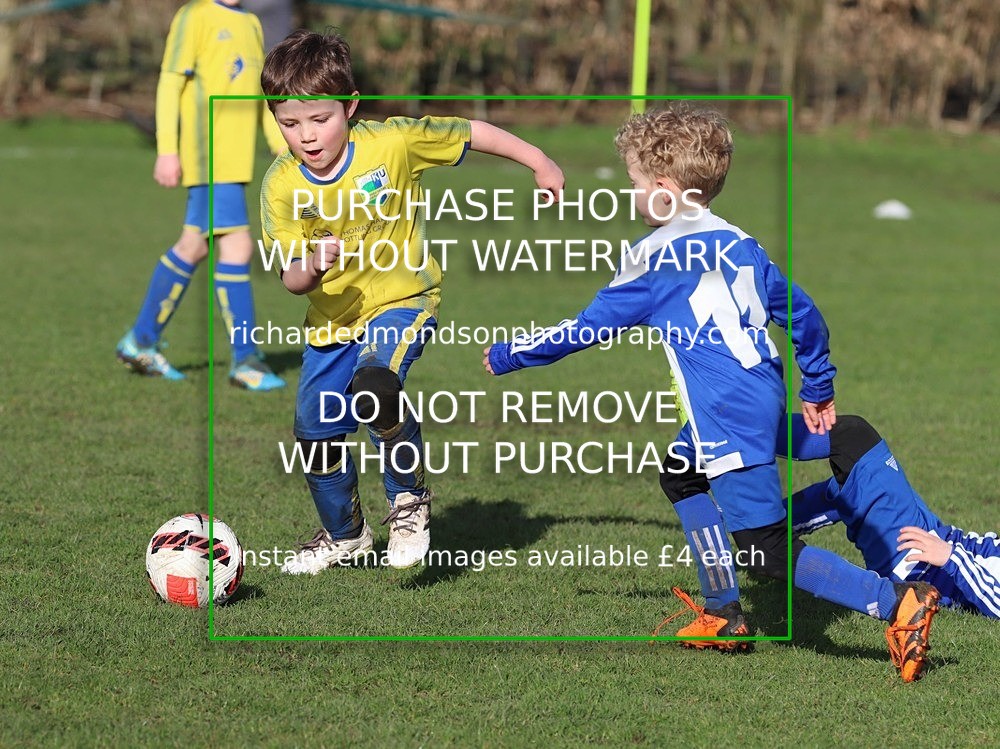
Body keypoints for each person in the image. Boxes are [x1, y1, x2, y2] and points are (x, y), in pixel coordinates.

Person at [484, 105, 938, 682]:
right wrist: (817, 383)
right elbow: (802, 312)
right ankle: (723, 611)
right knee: (679, 471)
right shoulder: (741, 243)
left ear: (667, 192)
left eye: (636, 184)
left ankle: (895, 603)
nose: (631, 196)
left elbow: (584, 329)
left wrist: (507, 354)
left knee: (764, 550)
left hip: (727, 409)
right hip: (761, 388)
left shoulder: (652, 260)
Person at [259, 30, 564, 572]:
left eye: (319, 119)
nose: (305, 135)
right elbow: (291, 278)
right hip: (331, 324)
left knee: (376, 385)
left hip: (405, 298)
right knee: (315, 433)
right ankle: (344, 536)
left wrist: (538, 159)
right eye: (289, 123)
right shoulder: (281, 184)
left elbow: (470, 133)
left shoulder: (392, 143)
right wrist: (313, 265)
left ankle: (408, 501)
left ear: (350, 107)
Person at [116, 0, 287, 391]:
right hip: (208, 155)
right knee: (236, 247)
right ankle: (246, 361)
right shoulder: (194, 15)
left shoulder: (251, 24)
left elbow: (261, 96)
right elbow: (170, 81)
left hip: (236, 160)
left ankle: (141, 340)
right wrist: (167, 150)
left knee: (196, 246)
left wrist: (281, 144)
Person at [786, 415, 1000, 619]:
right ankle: (764, 531)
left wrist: (949, 555)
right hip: (936, 535)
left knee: (854, 439)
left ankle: (754, 432)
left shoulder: (945, 557)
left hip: (917, 566)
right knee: (852, 484)